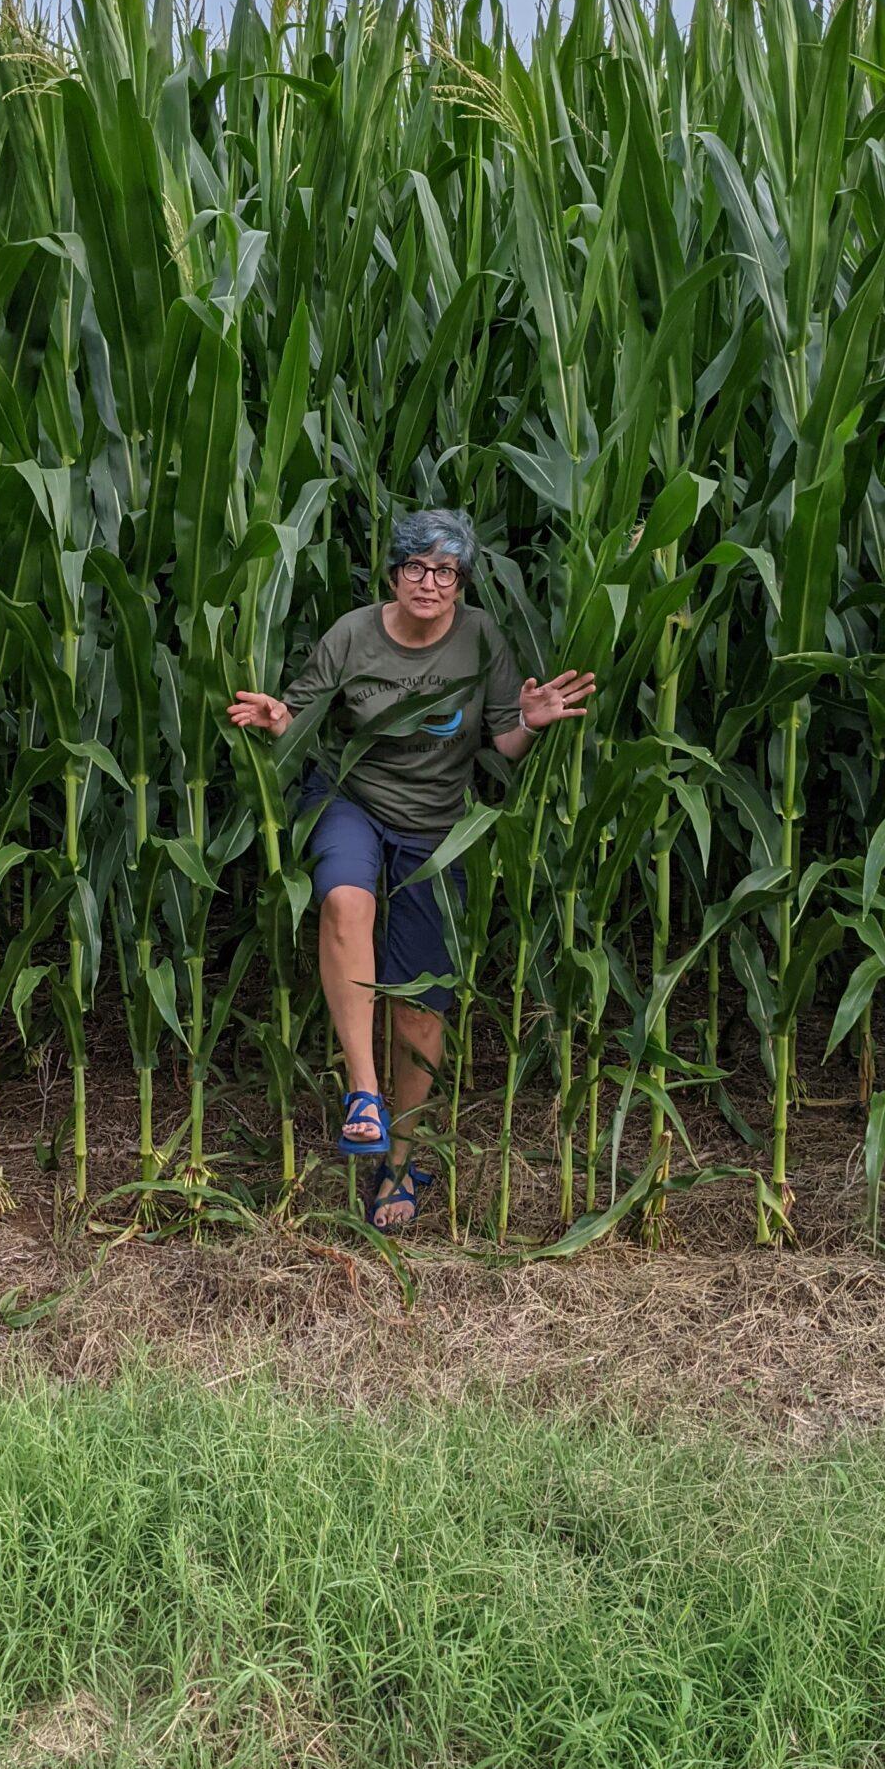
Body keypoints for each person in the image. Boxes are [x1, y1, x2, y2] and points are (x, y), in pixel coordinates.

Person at [227, 510, 594, 1231]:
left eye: (446, 571)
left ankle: (401, 1161)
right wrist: (278, 718)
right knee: (343, 902)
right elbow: (300, 717)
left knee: (423, 999)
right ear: (393, 575)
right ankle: (363, 1094)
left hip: (437, 822)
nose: (430, 583)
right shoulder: (353, 635)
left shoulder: (481, 635)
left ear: (461, 580)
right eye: (416, 569)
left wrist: (532, 722)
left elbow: (501, 741)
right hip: (349, 798)